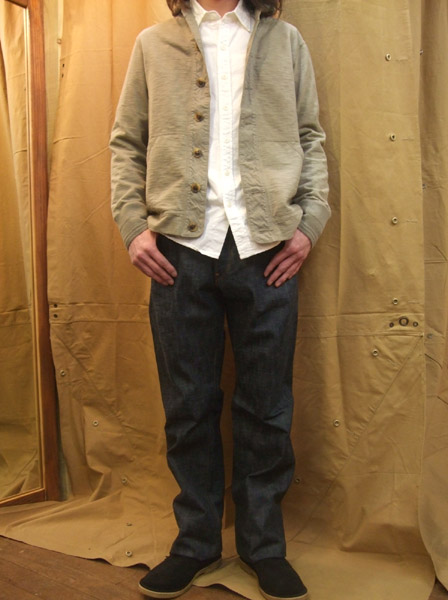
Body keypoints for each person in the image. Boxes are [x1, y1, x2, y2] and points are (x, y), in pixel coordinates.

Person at [110, 0, 330, 598]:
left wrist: (310, 223)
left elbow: (310, 137)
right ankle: (196, 544)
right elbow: (127, 142)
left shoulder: (286, 41)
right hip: (178, 251)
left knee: (267, 407)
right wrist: (132, 227)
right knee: (188, 406)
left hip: (267, 247)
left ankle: (264, 547)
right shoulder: (153, 44)